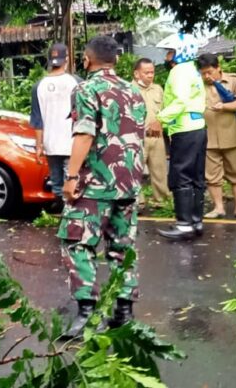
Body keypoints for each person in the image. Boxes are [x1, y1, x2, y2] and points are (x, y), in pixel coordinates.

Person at [58, 36, 146, 339]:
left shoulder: (85, 89)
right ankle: (124, 312)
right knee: (122, 247)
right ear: (117, 61)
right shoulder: (134, 91)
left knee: (76, 241)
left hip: (96, 183)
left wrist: (70, 178)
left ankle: (87, 312)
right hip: (129, 182)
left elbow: (84, 134)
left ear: (86, 60)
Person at [155, 33, 208, 240]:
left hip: (184, 128)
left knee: (181, 175)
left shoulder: (178, 72)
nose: (167, 57)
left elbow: (180, 102)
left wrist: (160, 119)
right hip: (198, 127)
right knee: (196, 176)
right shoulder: (193, 72)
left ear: (179, 52)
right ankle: (196, 222)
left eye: (170, 52)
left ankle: (184, 225)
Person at [196, 53, 236, 219]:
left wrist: (226, 106)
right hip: (208, 135)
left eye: (210, 72)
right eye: (203, 73)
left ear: (218, 68)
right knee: (212, 176)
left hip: (232, 134)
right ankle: (218, 208)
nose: (207, 76)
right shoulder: (197, 84)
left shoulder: (233, 80)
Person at [30, 43, 81, 200]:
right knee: (71, 179)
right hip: (71, 142)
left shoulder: (38, 86)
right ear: (66, 59)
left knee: (57, 183)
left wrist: (39, 145)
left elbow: (37, 121)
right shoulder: (77, 82)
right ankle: (71, 213)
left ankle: (62, 212)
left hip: (50, 143)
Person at [133, 58, 171, 205]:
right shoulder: (129, 89)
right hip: (137, 136)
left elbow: (164, 110)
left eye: (152, 72)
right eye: (146, 72)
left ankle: (161, 201)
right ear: (137, 74)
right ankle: (138, 202)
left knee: (159, 169)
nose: (150, 75)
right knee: (136, 170)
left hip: (155, 134)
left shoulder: (158, 89)